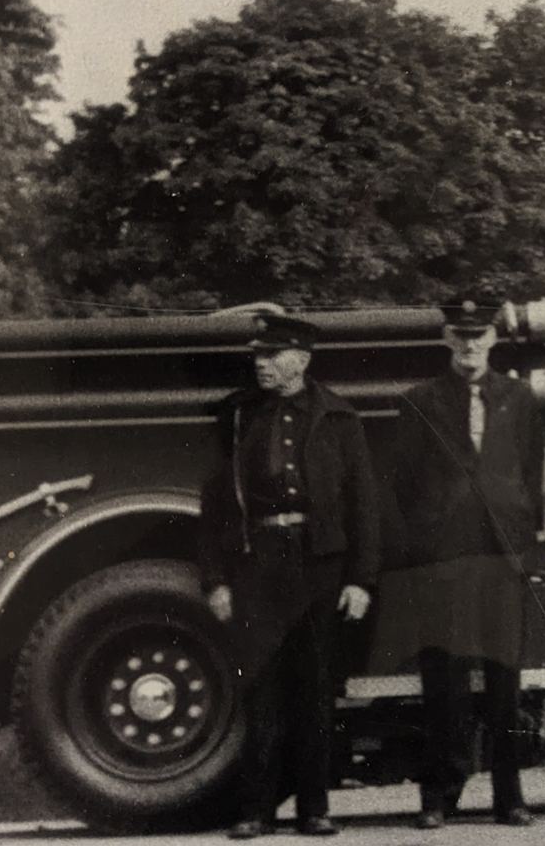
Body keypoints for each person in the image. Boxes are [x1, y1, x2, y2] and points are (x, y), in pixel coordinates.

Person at [196, 314, 379, 839]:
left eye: (273, 355)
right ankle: (255, 811)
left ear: (302, 359)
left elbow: (363, 505)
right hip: (257, 568)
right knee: (260, 692)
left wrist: (360, 581)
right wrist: (216, 581)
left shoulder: (339, 419)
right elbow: (214, 508)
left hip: (320, 566)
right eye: (257, 355)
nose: (261, 363)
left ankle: (315, 809)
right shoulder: (236, 418)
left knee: (316, 692)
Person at [385, 299, 544, 830]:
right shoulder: (418, 402)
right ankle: (438, 798)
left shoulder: (518, 398)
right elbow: (401, 485)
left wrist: (523, 536)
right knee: (445, 684)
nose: (470, 345)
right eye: (460, 335)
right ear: (446, 340)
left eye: (479, 336)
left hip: (502, 554)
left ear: (494, 339)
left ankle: (510, 797)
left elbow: (530, 465)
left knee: (505, 683)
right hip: (444, 558)